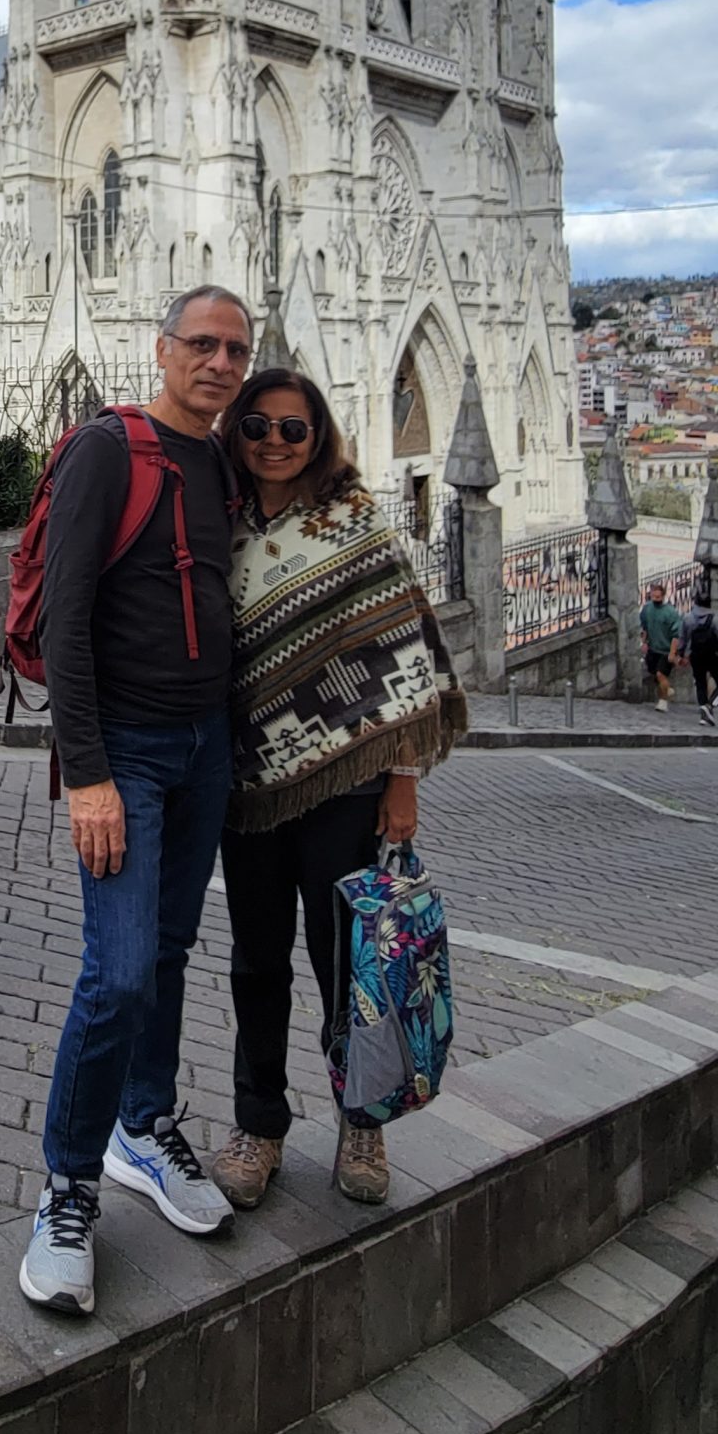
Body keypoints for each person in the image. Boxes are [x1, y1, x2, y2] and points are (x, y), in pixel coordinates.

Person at [19, 287, 250, 1316]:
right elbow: (66, 618)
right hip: (131, 755)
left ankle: (143, 1127)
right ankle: (66, 1185)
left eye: (235, 349)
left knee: (163, 955)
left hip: (206, 751)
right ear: (162, 351)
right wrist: (90, 772)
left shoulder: (220, 460)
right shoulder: (110, 448)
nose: (218, 362)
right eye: (201, 344)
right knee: (113, 976)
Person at [210, 367, 467, 1211]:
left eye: (294, 429)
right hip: (248, 783)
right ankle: (260, 1125)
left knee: (344, 962)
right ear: (235, 432)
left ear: (319, 436)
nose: (275, 444)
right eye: (258, 427)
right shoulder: (216, 520)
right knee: (257, 962)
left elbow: (407, 651)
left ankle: (363, 1120)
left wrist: (402, 783)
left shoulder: (353, 519)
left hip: (348, 785)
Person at [674, 583, 718, 728]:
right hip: (712, 656)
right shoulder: (715, 620)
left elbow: (682, 638)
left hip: (696, 656)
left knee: (700, 684)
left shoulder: (688, 618)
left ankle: (704, 716)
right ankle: (710, 706)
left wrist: (681, 655)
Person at [639, 579, 680, 715]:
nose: (656, 599)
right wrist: (644, 642)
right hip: (653, 648)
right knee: (653, 672)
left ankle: (663, 702)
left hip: (665, 650)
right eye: (653, 596)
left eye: (658, 597)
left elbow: (676, 635)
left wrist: (672, 653)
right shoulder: (647, 609)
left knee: (660, 674)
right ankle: (667, 690)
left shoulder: (670, 613)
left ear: (663, 597)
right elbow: (644, 627)